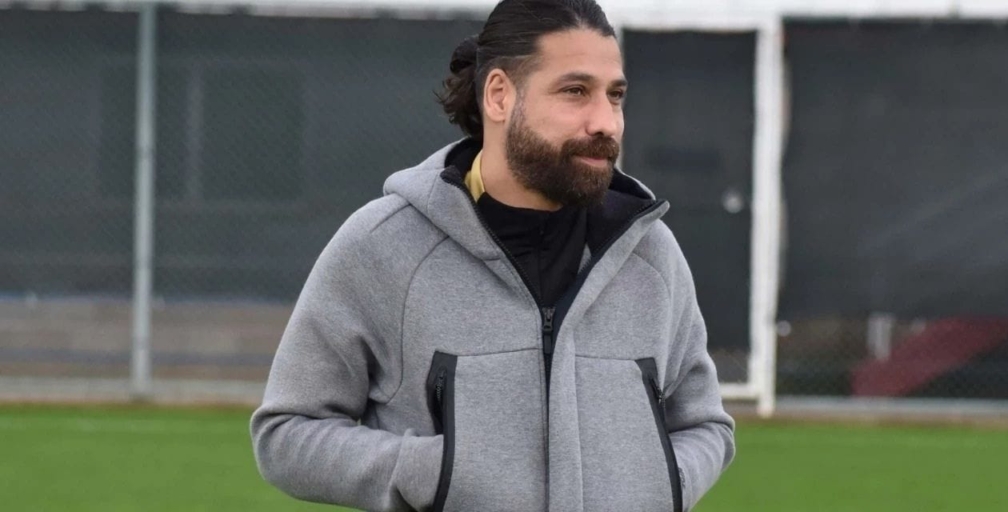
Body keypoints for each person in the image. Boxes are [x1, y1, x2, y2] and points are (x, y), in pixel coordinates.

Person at [250, 1, 735, 511]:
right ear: (500, 95)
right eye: (575, 91)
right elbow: (286, 432)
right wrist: (433, 473)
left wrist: (660, 483)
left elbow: (704, 425)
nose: (606, 122)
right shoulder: (384, 245)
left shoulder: (650, 254)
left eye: (614, 96)